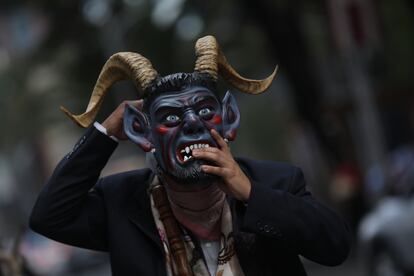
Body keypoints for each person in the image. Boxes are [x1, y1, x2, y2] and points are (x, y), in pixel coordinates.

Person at [29, 36, 350, 276]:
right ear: (143, 133)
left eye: (206, 111)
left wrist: (250, 194)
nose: (193, 124)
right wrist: (108, 132)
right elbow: (50, 215)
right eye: (170, 117)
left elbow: (334, 246)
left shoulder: (276, 182)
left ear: (229, 119)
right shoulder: (122, 205)